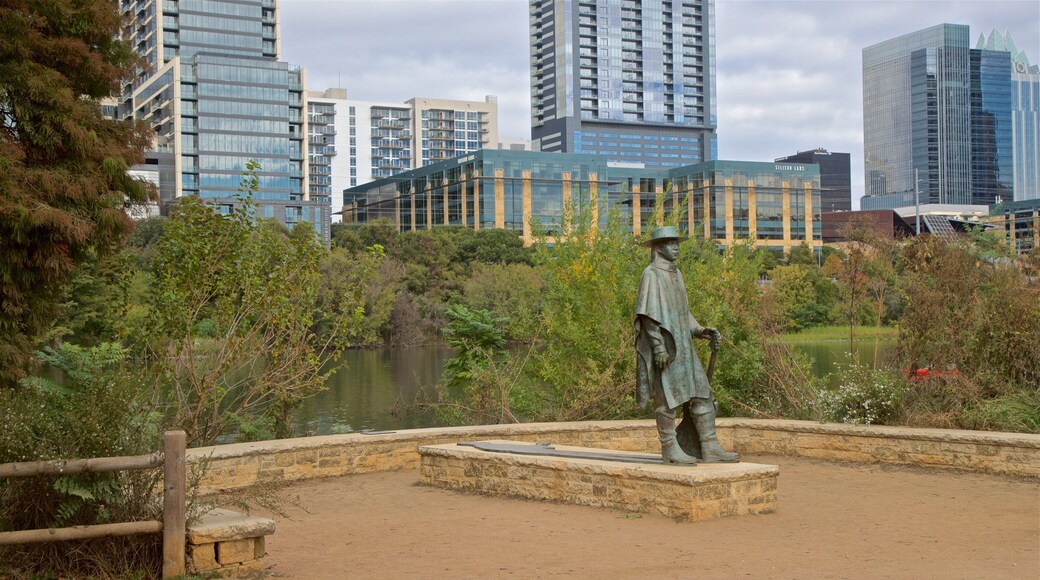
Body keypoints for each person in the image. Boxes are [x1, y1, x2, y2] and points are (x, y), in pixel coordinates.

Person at [634, 226, 740, 465]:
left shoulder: (677, 274)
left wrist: (700, 329)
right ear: (659, 248)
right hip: (667, 348)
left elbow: (683, 313)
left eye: (677, 243)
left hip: (685, 347)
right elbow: (648, 316)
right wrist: (658, 347)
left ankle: (710, 446)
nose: (676, 247)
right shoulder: (651, 274)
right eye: (670, 244)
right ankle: (670, 448)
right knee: (667, 400)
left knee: (703, 395)